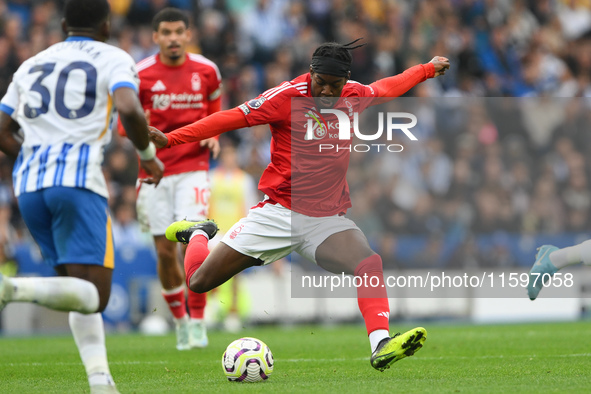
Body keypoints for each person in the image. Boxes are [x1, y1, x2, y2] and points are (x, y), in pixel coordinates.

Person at [151, 40, 449, 371]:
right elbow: (230, 118)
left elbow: (387, 87)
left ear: (345, 80)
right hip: (277, 214)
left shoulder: (353, 95)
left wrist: (426, 69)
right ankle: (197, 233)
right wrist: (173, 137)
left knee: (369, 263)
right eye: (320, 82)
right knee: (199, 282)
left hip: (326, 220)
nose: (325, 91)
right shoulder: (285, 97)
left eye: (334, 86)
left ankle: (380, 344)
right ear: (311, 73)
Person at [0, 0, 163, 393]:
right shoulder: (113, 57)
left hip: (30, 186)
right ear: (107, 25)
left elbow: (2, 128)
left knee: (75, 290)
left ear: (62, 23)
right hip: (78, 182)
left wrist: (35, 158)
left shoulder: (32, 63)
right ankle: (12, 289)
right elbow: (128, 107)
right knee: (94, 296)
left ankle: (100, 380)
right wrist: (148, 157)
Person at [117, 7, 221, 350]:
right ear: (155, 37)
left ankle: (198, 320)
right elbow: (125, 124)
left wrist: (214, 134)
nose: (174, 38)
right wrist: (141, 138)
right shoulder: (141, 74)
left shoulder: (207, 71)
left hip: (194, 167)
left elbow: (215, 111)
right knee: (164, 251)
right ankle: (179, 322)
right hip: (155, 171)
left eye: (179, 31)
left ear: (188, 34)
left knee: (195, 238)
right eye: (167, 32)